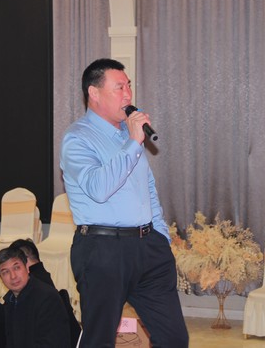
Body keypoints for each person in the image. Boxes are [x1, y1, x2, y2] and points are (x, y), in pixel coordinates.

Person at [60, 58, 189, 347]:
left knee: (174, 338)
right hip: (102, 250)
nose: (128, 94)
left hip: (149, 248)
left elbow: (148, 189)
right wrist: (133, 141)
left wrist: (160, 236)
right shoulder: (77, 139)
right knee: (99, 340)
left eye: (128, 86)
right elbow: (99, 188)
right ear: (94, 93)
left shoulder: (127, 136)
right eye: (119, 87)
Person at [0, 247, 71, 348]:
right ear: (0, 278)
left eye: (17, 268)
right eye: (5, 272)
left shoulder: (47, 298)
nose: (13, 276)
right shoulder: (11, 299)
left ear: (27, 268)